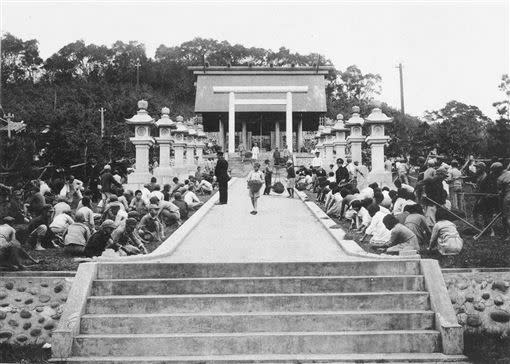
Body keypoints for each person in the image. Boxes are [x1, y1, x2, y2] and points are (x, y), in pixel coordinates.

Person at [497, 163, 510, 238]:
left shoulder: (500, 178)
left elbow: (500, 192)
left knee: (507, 217)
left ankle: (508, 235)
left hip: (508, 197)